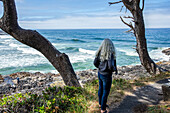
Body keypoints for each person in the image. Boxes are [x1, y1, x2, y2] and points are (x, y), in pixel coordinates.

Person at [93, 38, 117, 113]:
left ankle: (100, 104)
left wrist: (100, 68)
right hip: (106, 75)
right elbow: (110, 66)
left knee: (101, 89)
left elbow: (95, 62)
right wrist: (113, 69)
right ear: (111, 46)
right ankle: (103, 109)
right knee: (105, 92)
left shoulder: (99, 53)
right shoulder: (110, 55)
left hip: (100, 73)